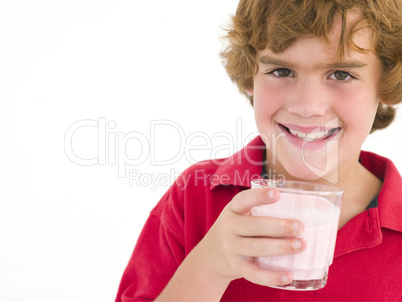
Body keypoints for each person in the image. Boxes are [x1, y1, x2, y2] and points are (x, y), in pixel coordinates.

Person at [115, 0, 402, 300]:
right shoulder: (195, 198)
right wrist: (208, 267)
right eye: (281, 71)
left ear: (385, 84)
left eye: (341, 74)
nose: (306, 107)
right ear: (250, 75)